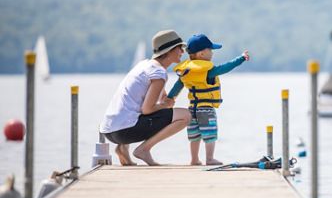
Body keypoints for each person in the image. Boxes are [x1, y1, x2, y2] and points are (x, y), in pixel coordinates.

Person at [100, 30, 192, 166]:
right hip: (124, 131)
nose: (182, 52)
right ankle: (143, 150)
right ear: (169, 50)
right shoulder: (159, 73)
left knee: (133, 111)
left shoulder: (145, 65)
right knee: (185, 115)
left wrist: (166, 101)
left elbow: (160, 97)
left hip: (109, 131)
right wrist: (165, 105)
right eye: (180, 48)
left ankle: (122, 148)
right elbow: (147, 109)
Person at [168, 34, 249, 166]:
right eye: (210, 50)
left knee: (194, 135)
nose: (212, 53)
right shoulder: (208, 71)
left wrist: (169, 99)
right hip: (206, 109)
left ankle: (194, 159)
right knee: (210, 135)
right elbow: (226, 67)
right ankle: (210, 158)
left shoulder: (186, 72)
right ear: (201, 54)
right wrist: (241, 59)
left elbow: (176, 87)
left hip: (192, 109)